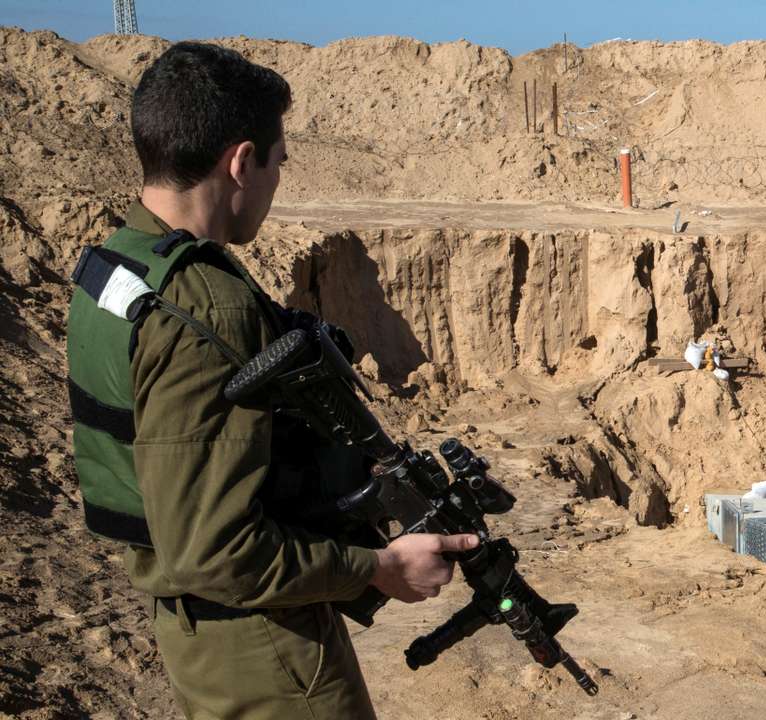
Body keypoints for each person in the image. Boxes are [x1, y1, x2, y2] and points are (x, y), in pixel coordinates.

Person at [65, 42, 476, 719]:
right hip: (265, 653)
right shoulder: (202, 305)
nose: (278, 182)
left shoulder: (119, 268)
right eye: (279, 162)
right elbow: (213, 551)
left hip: (202, 634)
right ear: (240, 161)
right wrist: (380, 569)